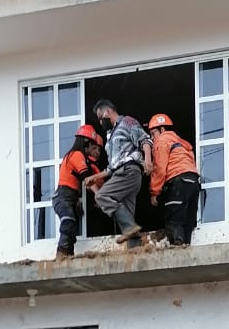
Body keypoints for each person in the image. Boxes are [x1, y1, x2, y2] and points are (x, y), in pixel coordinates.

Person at [84, 100, 152, 243]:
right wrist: (95, 177)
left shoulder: (127, 122)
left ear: (107, 112)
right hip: (121, 173)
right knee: (129, 219)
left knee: (101, 196)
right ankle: (135, 249)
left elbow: (144, 140)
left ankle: (129, 227)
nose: (100, 122)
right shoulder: (110, 135)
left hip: (128, 171)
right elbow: (112, 167)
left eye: (100, 118)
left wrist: (148, 159)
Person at [147, 113, 201, 246]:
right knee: (188, 220)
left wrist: (154, 192)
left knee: (174, 219)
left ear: (162, 129)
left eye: (153, 134)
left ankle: (176, 247)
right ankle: (185, 246)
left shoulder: (162, 141)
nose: (152, 138)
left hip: (178, 181)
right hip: (193, 182)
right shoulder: (183, 143)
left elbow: (160, 168)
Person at [53, 124, 103, 257]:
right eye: (93, 146)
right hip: (63, 196)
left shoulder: (73, 155)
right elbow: (87, 179)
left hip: (69, 196)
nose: (94, 149)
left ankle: (68, 254)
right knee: (68, 221)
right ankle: (62, 254)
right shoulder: (76, 155)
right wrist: (98, 194)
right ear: (86, 142)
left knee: (71, 226)